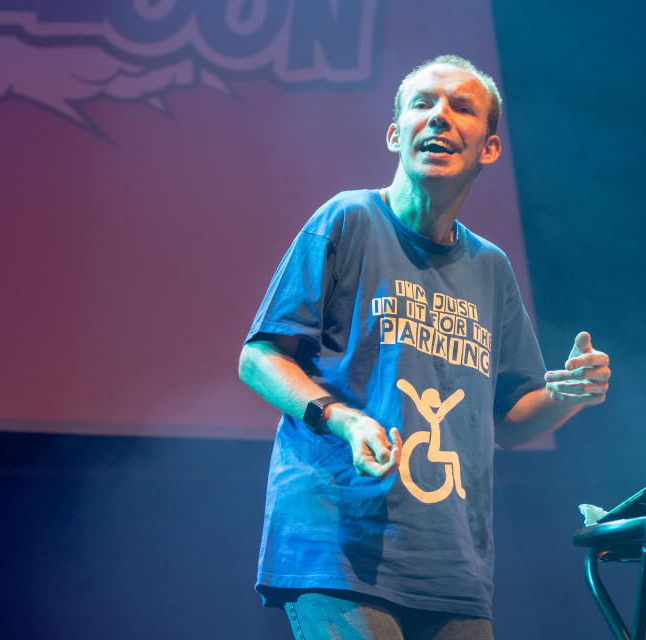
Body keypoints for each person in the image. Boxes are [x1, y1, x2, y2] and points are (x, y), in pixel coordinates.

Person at [239, 54, 611, 640]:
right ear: (396, 134)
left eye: (461, 108)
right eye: (423, 104)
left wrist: (569, 394)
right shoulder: (348, 219)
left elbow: (509, 423)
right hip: (340, 541)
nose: (440, 117)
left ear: (488, 147)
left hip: (452, 563)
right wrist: (344, 421)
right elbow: (259, 358)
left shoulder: (490, 267)